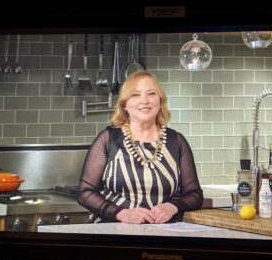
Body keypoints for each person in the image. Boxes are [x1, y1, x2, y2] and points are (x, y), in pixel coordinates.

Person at [78, 71, 203, 224]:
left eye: (151, 93)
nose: (145, 100)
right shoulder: (108, 139)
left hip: (163, 234)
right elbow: (85, 193)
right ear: (125, 104)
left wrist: (172, 207)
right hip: (115, 231)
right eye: (135, 95)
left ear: (160, 101)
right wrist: (121, 213)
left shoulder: (176, 141)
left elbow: (195, 195)